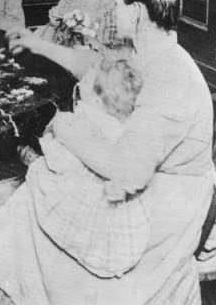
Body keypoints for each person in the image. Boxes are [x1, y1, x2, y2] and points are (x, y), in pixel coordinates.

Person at [0, 0, 216, 305]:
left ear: (136, 12)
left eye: (117, 2)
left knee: (42, 185)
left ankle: (8, 283)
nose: (112, 9)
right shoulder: (153, 48)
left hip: (168, 204)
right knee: (45, 179)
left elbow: (125, 170)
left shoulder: (170, 79)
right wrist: (38, 43)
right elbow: (97, 67)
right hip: (148, 175)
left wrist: (64, 128)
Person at [26, 57, 149, 279]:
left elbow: (60, 162)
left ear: (97, 99)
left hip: (97, 225)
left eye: (90, 74)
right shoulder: (126, 123)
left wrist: (52, 138)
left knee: (37, 172)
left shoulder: (79, 122)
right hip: (130, 232)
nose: (83, 75)